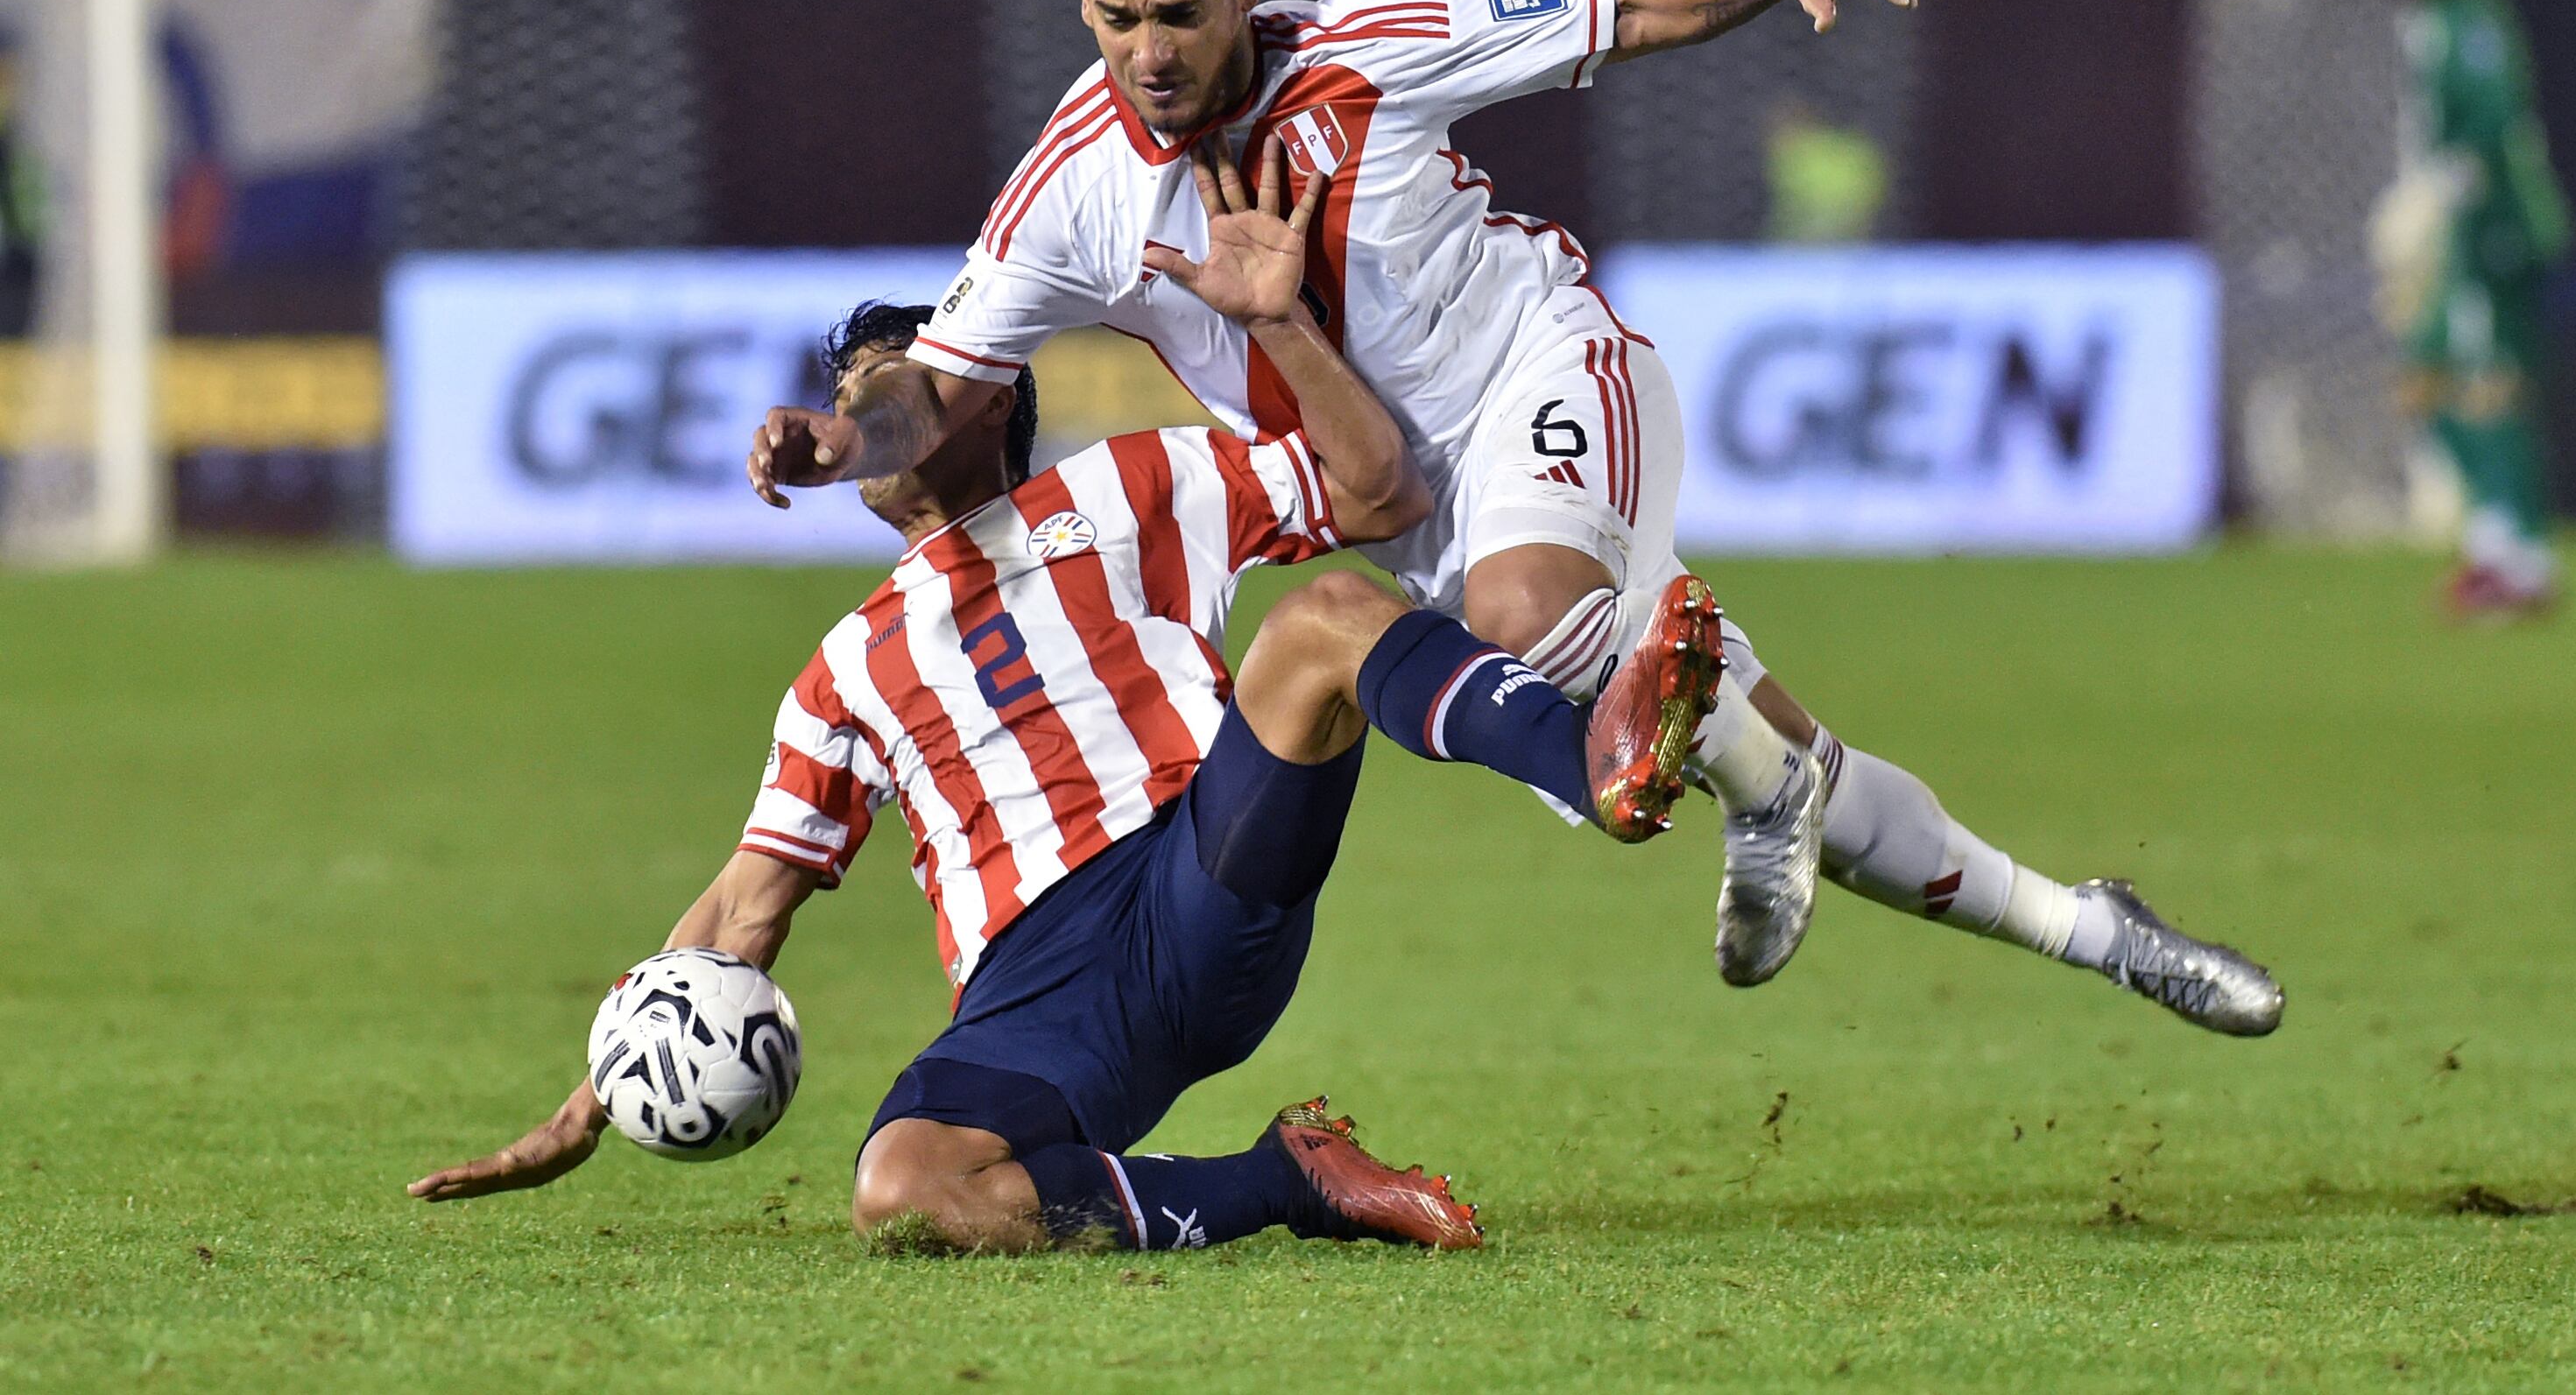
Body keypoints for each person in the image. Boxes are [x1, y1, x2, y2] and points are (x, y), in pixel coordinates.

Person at [745, 0, 2283, 1033]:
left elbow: (1621, 9)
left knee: (1526, 626)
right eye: (1115, 19)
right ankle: (2093, 929)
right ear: (1085, 9)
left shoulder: (1367, 49)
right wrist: (836, 437)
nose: (1147, 51)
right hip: (1416, 517)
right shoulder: (1067, 191)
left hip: (1548, 372)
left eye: (1176, 12)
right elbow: (935, 389)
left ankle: (1765, 798)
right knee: (1708, 739)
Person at [409, 149, 1730, 1252]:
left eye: (903, 386)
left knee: (1324, 618)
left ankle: (1593, 763)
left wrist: (1280, 323)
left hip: (1196, 875)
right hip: (1041, 1000)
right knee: (905, 1189)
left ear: (990, 399)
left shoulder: (1137, 485)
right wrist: (594, 1095)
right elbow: (744, 909)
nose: (871, 414)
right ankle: (1286, 1178)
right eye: (856, 396)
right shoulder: (841, 671)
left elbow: (1381, 494)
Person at [2368, 0, 2573, 620]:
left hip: (2497, 226)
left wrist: (2435, 193)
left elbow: (2494, 114)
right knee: (2423, 380)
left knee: (2491, 386)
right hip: (2461, 231)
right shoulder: (2426, 22)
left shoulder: (2472, 13)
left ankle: (2517, 559)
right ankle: (2497, 541)